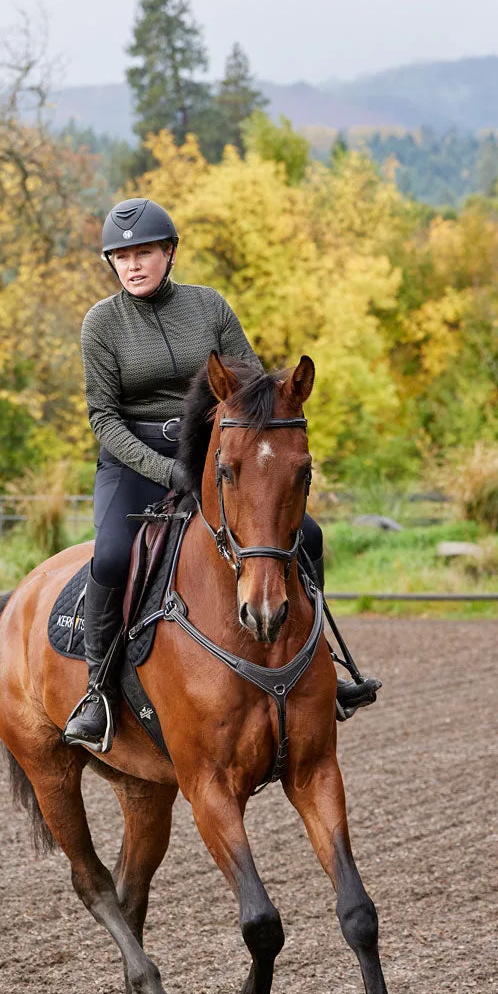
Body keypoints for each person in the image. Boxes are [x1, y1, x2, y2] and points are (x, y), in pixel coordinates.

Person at [63, 197, 363, 751]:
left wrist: (218, 460)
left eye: (144, 253)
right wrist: (164, 469)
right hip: (133, 458)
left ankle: (322, 664)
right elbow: (103, 417)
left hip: (215, 456)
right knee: (109, 556)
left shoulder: (210, 307)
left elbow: (252, 387)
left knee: (310, 536)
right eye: (121, 256)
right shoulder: (101, 323)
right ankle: (98, 691)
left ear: (169, 253)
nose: (133, 265)